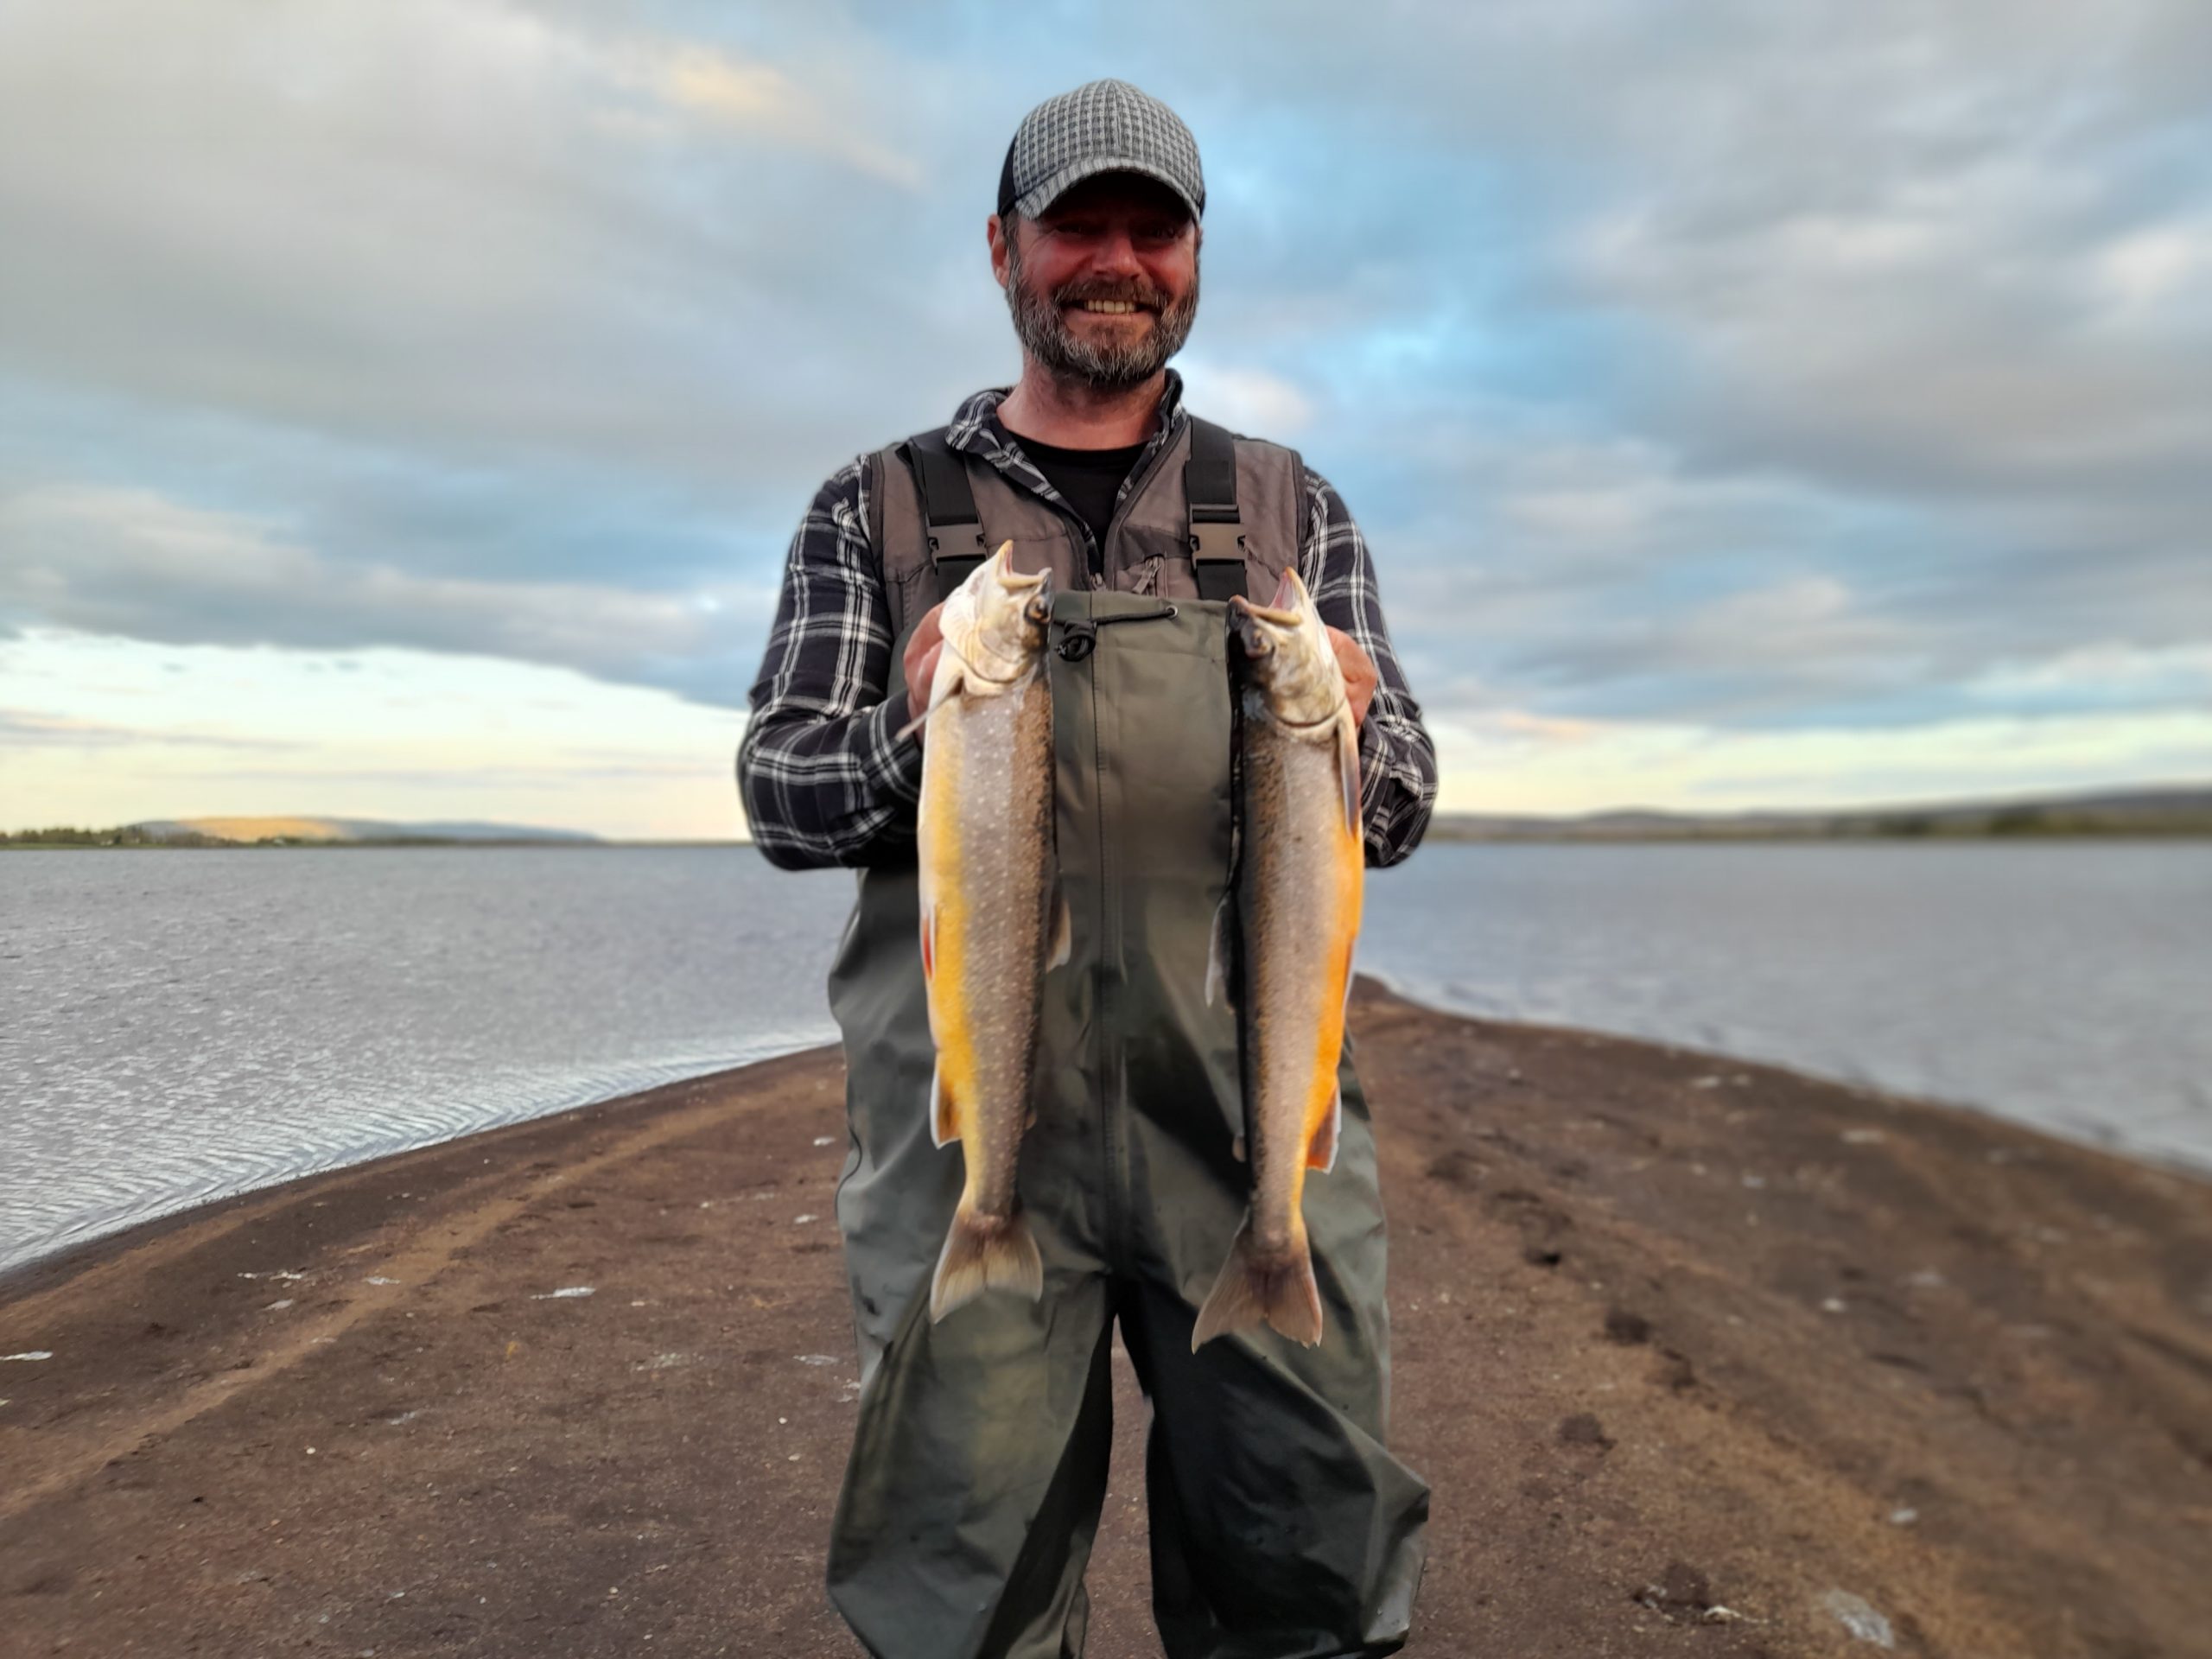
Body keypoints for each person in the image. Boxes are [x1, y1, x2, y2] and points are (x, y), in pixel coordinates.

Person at [738, 78, 1433, 1659]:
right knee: (960, 1594)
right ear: (1003, 249)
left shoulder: (1285, 505)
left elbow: (1395, 816)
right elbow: (781, 793)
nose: (1116, 261)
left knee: (1303, 1566)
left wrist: (1347, 725)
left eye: (1153, 230)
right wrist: (925, 722)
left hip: (1255, 1134)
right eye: (1077, 227)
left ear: (1193, 259)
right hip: (976, 1148)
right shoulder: (882, 504)